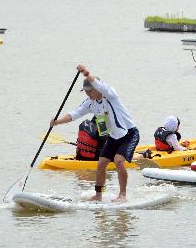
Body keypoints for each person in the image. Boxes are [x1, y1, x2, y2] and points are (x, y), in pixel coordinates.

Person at [50, 64, 139, 202]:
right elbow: (75, 114)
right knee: (101, 164)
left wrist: (86, 73)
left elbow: (100, 85)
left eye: (89, 91)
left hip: (129, 134)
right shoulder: (90, 103)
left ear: (97, 89)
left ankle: (123, 195)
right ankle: (98, 195)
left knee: (118, 160)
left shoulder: (110, 95)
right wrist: (57, 121)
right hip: (113, 137)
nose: (87, 94)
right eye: (85, 91)